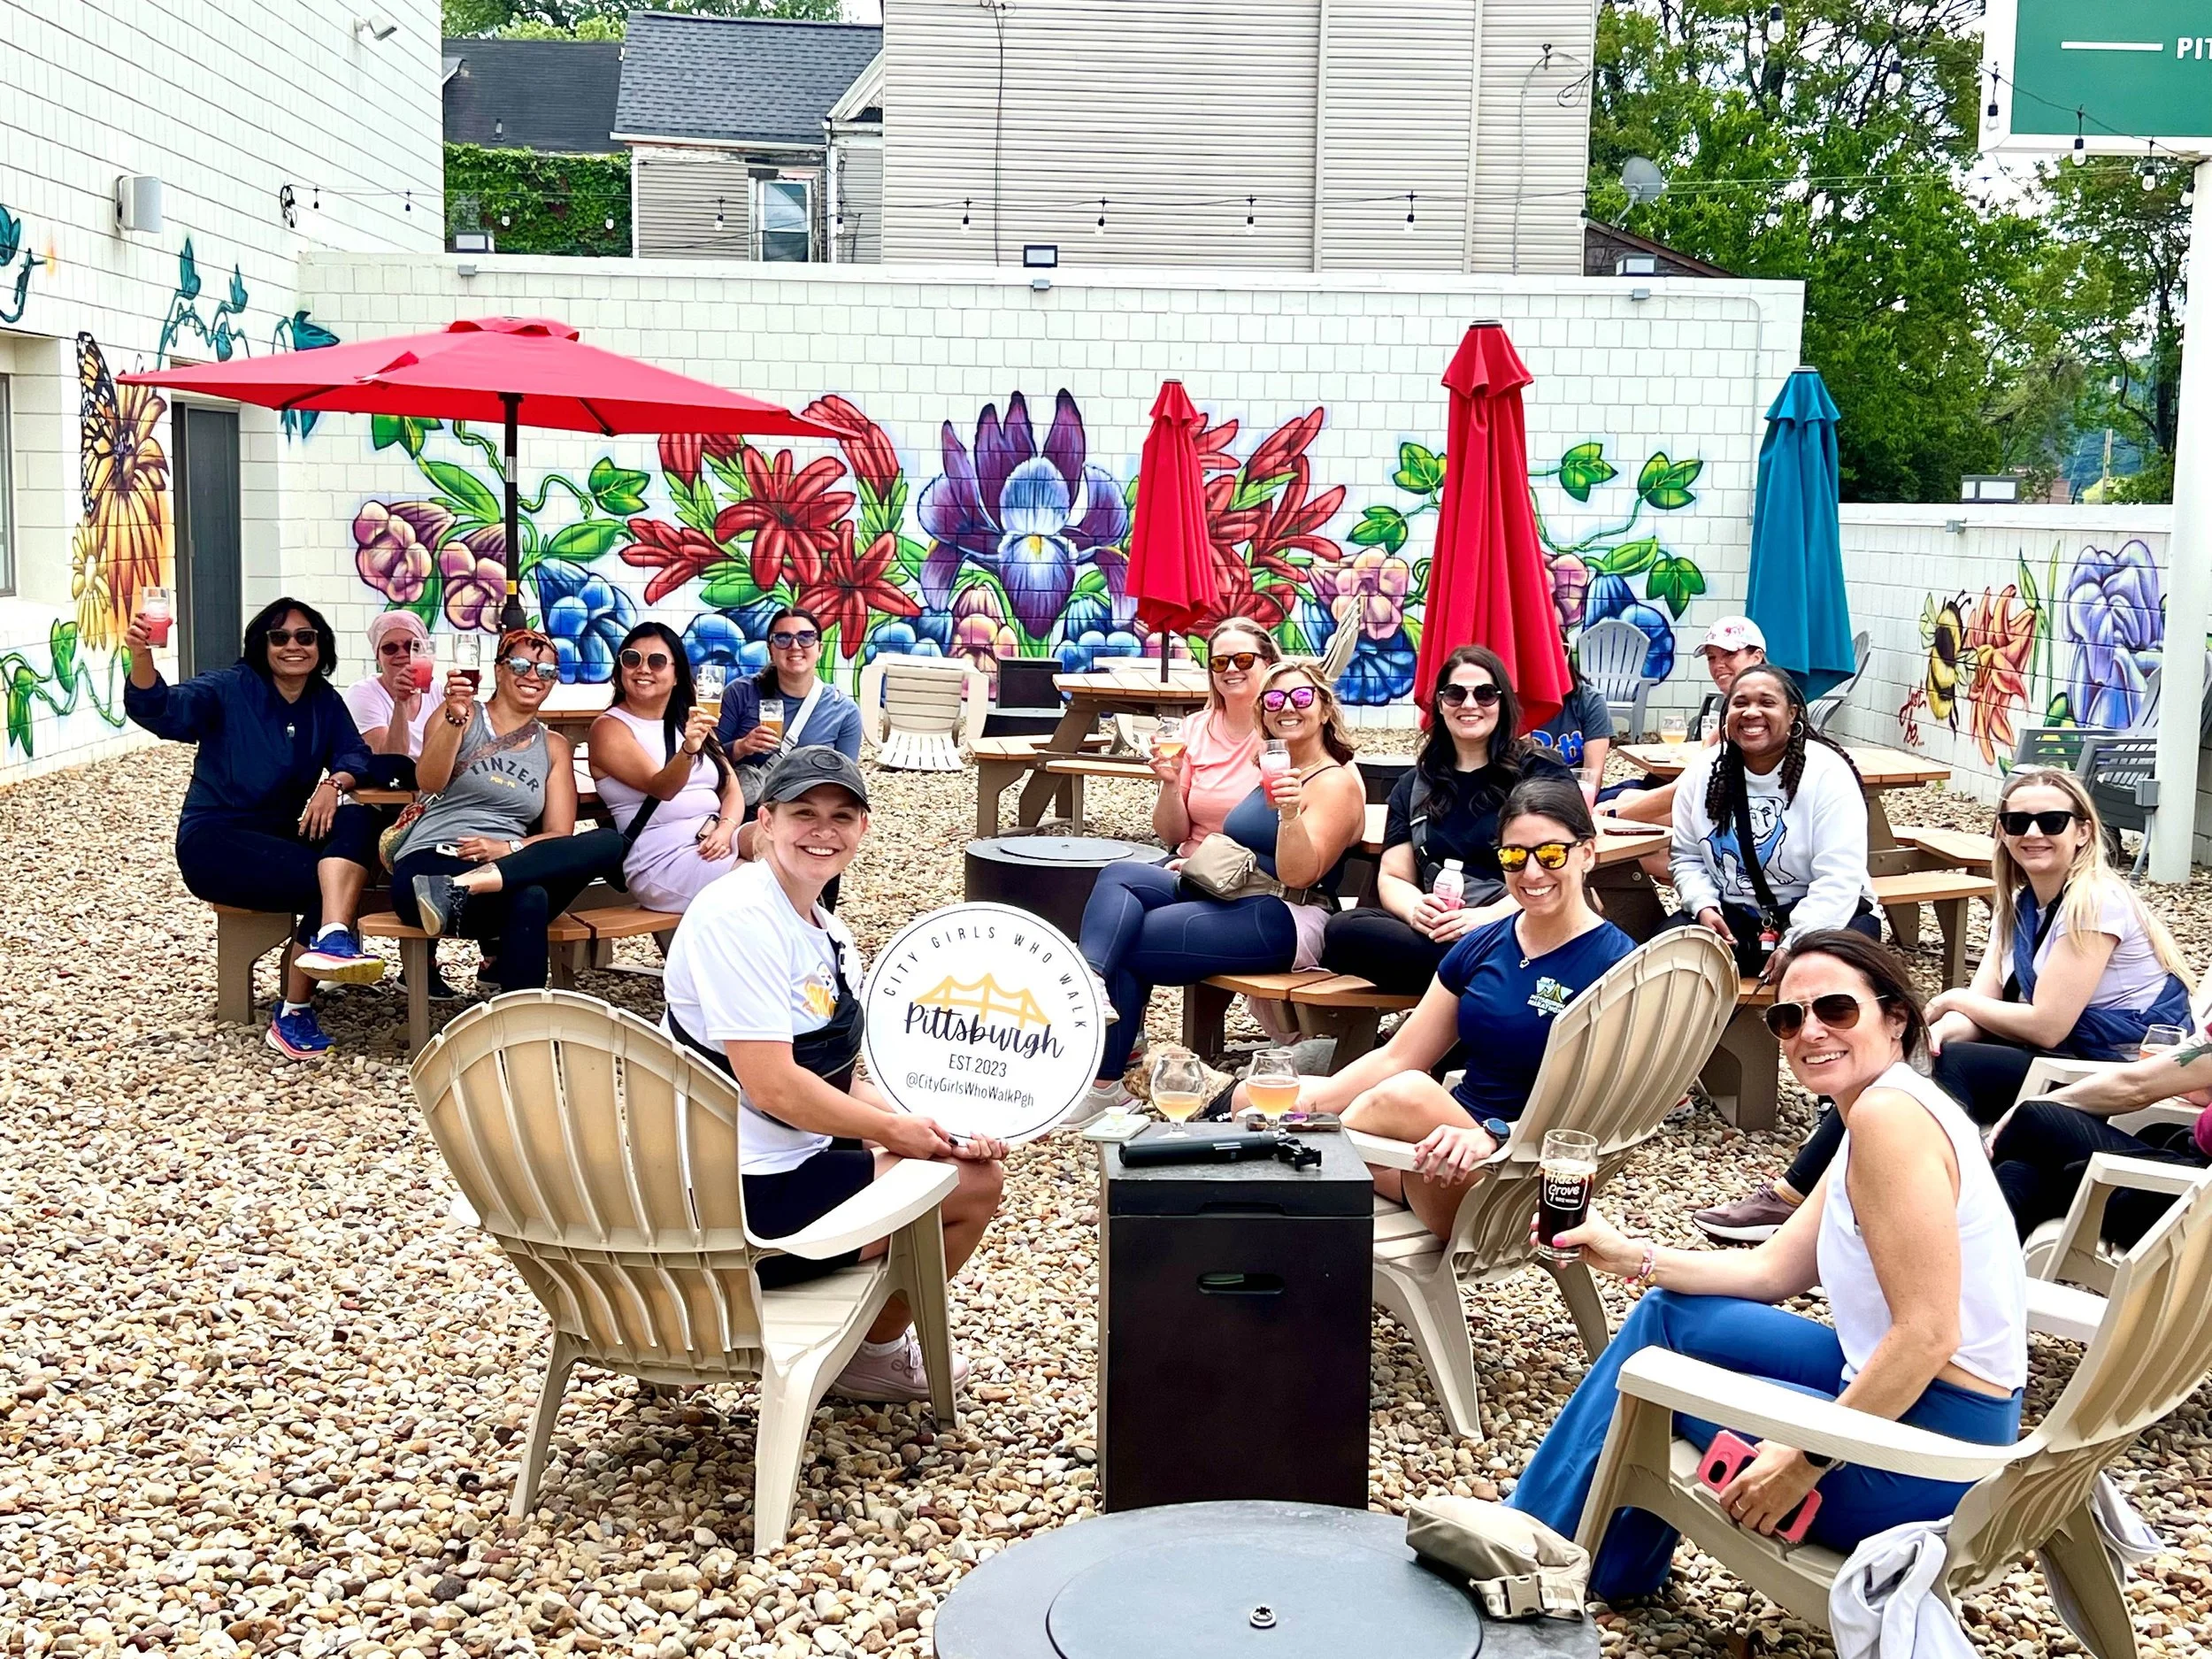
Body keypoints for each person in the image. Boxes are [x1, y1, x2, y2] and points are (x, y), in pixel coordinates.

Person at [1506, 932, 2026, 1602]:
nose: (1809, 1031)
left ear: (1896, 1018)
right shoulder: (1879, 1107)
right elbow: (1771, 1271)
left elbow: (1929, 1333)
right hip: (1913, 1397)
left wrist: (1807, 1456)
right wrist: (1633, 1255)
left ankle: (1542, 1546)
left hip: (1928, 1449)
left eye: (1836, 1009)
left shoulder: (1890, 1120)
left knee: (1658, 1383)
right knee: (1666, 1315)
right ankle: (1583, 1553)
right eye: (1788, 1017)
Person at [662, 747, 1007, 1402]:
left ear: (862, 830)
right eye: (803, 812)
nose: (823, 829)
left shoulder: (826, 930)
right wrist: (894, 1134)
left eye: (841, 815)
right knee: (974, 1184)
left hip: (766, 1162)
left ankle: (860, 1341)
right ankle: (870, 1355)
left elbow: (836, 1076)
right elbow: (773, 1086)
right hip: (731, 1197)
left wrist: (934, 1127)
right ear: (765, 821)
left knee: (949, 1157)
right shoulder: (740, 916)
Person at [1256, 774, 1635, 1239]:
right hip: (1440, 1156)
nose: (1532, 873)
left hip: (1515, 1177)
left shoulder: (1616, 966)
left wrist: (1495, 1133)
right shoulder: (1486, 943)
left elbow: (1600, 1106)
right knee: (1259, 1099)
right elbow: (1399, 1054)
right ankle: (1291, 1149)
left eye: (1551, 854)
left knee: (1406, 1092)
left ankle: (1292, 1171)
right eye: (1514, 857)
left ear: (1588, 854)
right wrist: (1305, 1105)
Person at [1074, 660, 1367, 1118]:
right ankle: (1090, 981)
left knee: (1132, 940)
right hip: (1234, 893)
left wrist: (1289, 815)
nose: (1286, 707)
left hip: (1286, 914)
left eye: (1301, 697)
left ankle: (1108, 1082)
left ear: (1325, 710)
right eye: (1273, 700)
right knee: (1121, 875)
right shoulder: (1274, 766)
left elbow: (1299, 875)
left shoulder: (1333, 782)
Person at [125, 595, 387, 1059]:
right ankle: (294, 1012)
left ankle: (331, 939)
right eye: (279, 636)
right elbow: (161, 710)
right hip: (216, 839)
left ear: (320, 646)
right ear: (261, 644)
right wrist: (142, 656)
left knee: (359, 816)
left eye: (305, 637)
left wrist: (334, 783)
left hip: (280, 834)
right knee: (323, 882)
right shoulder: (230, 687)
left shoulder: (322, 701)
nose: (293, 646)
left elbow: (355, 756)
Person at [1925, 768, 2193, 1119]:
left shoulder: (2096, 901)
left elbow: (2047, 1027)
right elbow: (1983, 1010)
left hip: (2114, 1074)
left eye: (2051, 822)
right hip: (2063, 1059)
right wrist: (1940, 1032)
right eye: (2017, 822)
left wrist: (1951, 999)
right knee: (1914, 1062)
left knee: (1949, 1068)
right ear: (2003, 833)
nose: (2032, 833)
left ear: (2083, 832)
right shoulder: (2019, 904)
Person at [388, 628, 626, 991]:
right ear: (499, 669)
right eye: (520, 664)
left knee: (608, 843)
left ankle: (517, 1021)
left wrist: (508, 849)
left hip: (504, 872)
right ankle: (523, 1023)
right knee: (530, 897)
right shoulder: (462, 716)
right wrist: (454, 718)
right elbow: (429, 783)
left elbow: (559, 836)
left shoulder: (554, 747)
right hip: (429, 870)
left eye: (546, 671)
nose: (533, 676)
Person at [1322, 645, 1525, 995]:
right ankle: (1478, 987)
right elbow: (1394, 875)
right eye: (1455, 694)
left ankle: (1462, 996)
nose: (1470, 704)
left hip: (1514, 920)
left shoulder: (1537, 773)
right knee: (1344, 929)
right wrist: (1417, 909)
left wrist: (1482, 919)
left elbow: (1559, 872)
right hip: (1442, 930)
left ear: (1503, 702)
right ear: (1440, 705)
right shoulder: (1414, 785)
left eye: (1486, 694)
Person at [1668, 663, 1879, 976]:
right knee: (1666, 957)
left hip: (1824, 918)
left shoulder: (1827, 774)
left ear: (1792, 713)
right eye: (1740, 703)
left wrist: (1795, 941)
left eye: (1767, 703)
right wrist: (1703, 905)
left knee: (1821, 971)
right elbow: (1687, 857)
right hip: (1735, 917)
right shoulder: (1702, 773)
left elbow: (1839, 879)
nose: (1752, 712)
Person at [1987, 1028, 2212, 1250]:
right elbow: (2142, 1084)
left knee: (2032, 1118)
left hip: (2190, 1205)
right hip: (2183, 1171)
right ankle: (1976, 1275)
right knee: (2019, 1174)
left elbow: (2136, 1087)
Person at [588, 622, 749, 912]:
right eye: (632, 659)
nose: (643, 669)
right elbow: (663, 787)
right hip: (661, 860)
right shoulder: (609, 728)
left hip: (715, 839)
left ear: (676, 675)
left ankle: (821, 952)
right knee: (758, 887)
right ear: (620, 668)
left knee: (784, 849)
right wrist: (689, 748)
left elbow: (731, 789)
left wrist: (726, 830)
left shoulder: (691, 721)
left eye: (657, 661)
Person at [1606, 616, 1767, 835]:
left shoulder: (1754, 718)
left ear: (1756, 657)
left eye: (1729, 653)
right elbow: (1689, 784)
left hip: (1746, 826)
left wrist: (1614, 815)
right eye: (1711, 657)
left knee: (1624, 829)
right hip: (1718, 810)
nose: (1718, 665)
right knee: (1623, 797)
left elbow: (1685, 792)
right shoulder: (1730, 713)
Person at [1144, 617, 1278, 859]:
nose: (1231, 669)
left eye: (1244, 659)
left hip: (1249, 876)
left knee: (1120, 879)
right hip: (1190, 865)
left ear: (1267, 664)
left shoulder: (1284, 732)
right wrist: (1170, 783)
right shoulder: (1194, 728)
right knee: (1116, 876)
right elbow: (1172, 836)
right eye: (1220, 662)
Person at [714, 605, 864, 803]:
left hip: (806, 812)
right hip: (745, 810)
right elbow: (706, 762)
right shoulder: (740, 693)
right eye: (782, 638)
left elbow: (846, 781)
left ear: (820, 649)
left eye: (806, 637)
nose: (795, 646)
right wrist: (741, 747)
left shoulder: (844, 711)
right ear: (771, 651)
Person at [342, 611, 436, 789]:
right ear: (378, 657)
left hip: (427, 795)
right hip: (380, 800)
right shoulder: (363, 694)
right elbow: (392, 761)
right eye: (390, 648)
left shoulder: (438, 690)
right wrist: (401, 703)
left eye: (411, 646)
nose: (402, 653)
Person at [1529, 644, 1613, 800]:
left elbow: (1592, 776)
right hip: (1526, 799)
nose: (1552, 657)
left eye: (1561, 648)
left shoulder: (1589, 701)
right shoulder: (1512, 702)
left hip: (1575, 798)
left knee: (1630, 795)